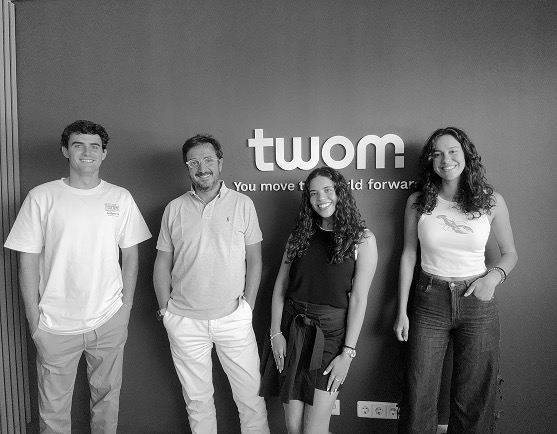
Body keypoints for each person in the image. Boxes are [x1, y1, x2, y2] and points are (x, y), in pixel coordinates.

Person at [4, 120, 152, 433]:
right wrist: (34, 319)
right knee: (53, 412)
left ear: (104, 153)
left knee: (107, 401)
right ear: (65, 150)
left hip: (108, 318)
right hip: (54, 323)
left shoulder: (120, 198)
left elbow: (131, 256)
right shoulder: (42, 197)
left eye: (94, 146)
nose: (87, 152)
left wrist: (124, 309)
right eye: (78, 145)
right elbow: (27, 260)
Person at [394, 127, 518, 434]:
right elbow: (408, 255)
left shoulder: (491, 201)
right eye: (437, 154)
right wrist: (401, 312)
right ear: (430, 161)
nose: (445, 159)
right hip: (429, 299)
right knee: (418, 391)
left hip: (477, 302)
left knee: (475, 396)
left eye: (452, 152)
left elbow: (510, 254)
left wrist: (493, 278)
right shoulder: (418, 202)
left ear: (466, 156)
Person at [153, 134, 270, 434]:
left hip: (233, 319)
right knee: (198, 402)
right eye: (193, 162)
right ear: (187, 167)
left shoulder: (243, 204)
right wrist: (166, 312)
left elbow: (255, 260)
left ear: (220, 163)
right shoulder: (174, 209)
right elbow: (162, 263)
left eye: (207, 160)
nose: (201, 168)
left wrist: (247, 308)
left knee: (251, 400)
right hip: (184, 322)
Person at [260, 166, 378, 434]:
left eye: (327, 190)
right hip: (292, 328)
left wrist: (347, 353)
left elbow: (359, 300)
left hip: (330, 336)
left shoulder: (363, 239)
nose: (321, 198)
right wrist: (276, 333)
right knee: (293, 427)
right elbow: (281, 286)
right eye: (313, 193)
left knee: (314, 430)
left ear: (340, 193)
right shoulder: (299, 236)